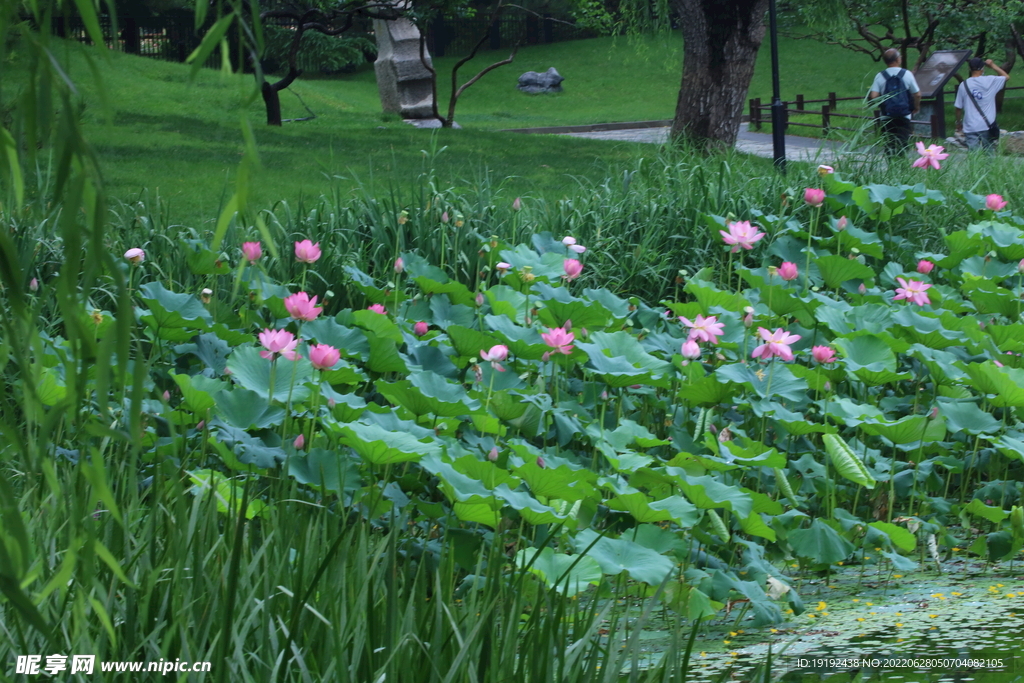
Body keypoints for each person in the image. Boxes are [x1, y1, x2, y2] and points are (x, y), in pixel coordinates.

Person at [868, 49, 921, 155]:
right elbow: (917, 94)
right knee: (903, 142)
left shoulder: (880, 76)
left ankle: (890, 165)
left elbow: (874, 96)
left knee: (890, 142)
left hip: (887, 116)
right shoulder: (907, 74)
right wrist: (916, 106)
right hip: (904, 114)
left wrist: (884, 104)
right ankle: (901, 166)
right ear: (897, 59)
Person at [954, 57, 1010, 152]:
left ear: (969, 69)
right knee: (989, 155)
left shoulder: (964, 85)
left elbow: (958, 108)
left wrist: (959, 123)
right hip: (987, 125)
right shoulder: (991, 81)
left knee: (973, 157)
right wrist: (992, 65)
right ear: (982, 68)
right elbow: (1006, 77)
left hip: (970, 126)